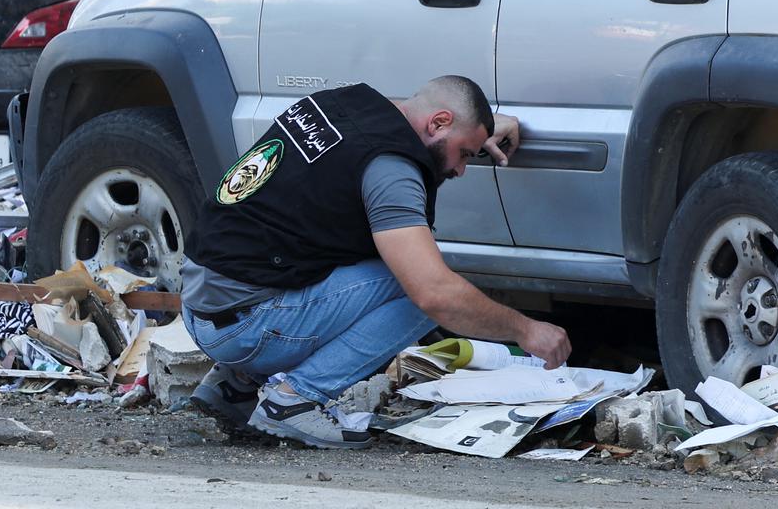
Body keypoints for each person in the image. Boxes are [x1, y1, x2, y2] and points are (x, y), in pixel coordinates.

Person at [182, 76, 572, 449]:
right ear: (438, 122)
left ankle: (234, 385)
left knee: (357, 253)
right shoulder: (392, 169)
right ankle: (294, 400)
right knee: (424, 287)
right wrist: (525, 330)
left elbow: (428, 112)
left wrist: (480, 127)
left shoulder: (342, 102)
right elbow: (435, 294)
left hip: (199, 300)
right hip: (246, 327)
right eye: (466, 153)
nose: (460, 169)